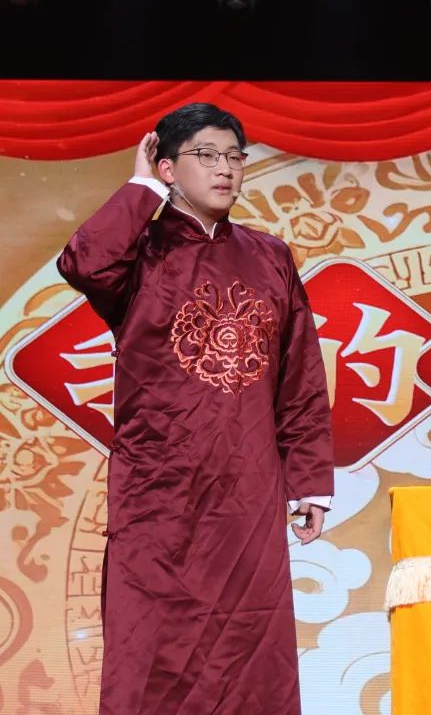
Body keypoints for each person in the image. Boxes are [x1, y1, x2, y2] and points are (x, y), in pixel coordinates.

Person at [57, 102, 333, 715]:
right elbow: (83, 262)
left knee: (250, 644)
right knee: (151, 645)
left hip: (247, 486)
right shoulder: (139, 253)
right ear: (168, 167)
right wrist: (140, 190)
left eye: (234, 156)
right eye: (205, 155)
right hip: (160, 488)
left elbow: (300, 376)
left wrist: (308, 481)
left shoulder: (269, 256)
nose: (225, 169)